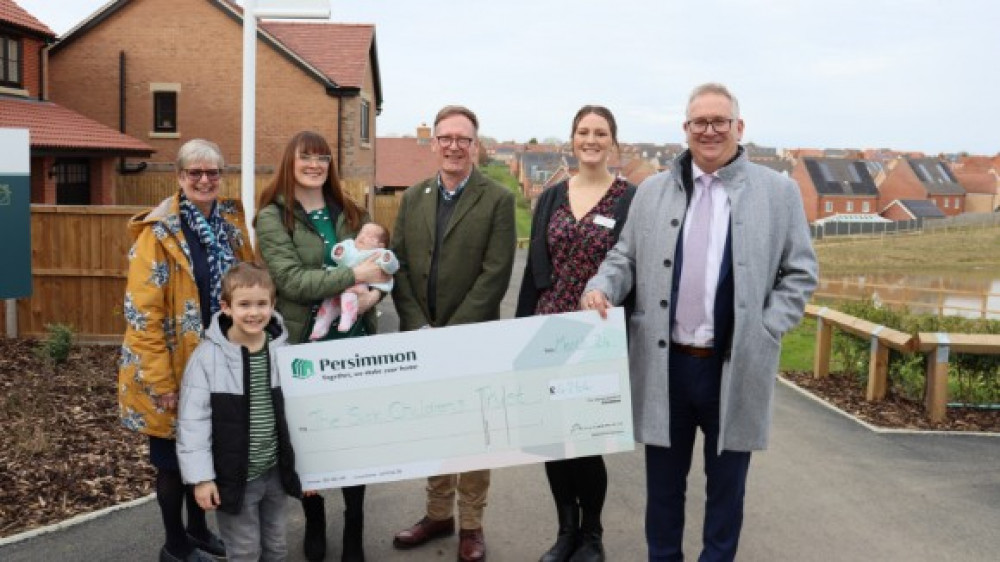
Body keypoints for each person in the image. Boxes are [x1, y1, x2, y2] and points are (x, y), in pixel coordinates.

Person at [582, 83, 818, 562]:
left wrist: (768, 327)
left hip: (733, 367)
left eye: (719, 121)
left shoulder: (779, 192)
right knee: (663, 494)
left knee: (726, 494)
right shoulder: (651, 191)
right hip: (667, 369)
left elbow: (800, 272)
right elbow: (623, 256)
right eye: (699, 123)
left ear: (738, 127)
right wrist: (601, 286)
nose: (709, 131)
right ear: (685, 129)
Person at [390, 105, 516, 562]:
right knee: (436, 429)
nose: (454, 146)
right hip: (422, 336)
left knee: (473, 435)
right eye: (446, 137)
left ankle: (471, 525)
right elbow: (397, 264)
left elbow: (495, 274)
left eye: (463, 139)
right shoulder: (414, 197)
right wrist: (417, 324)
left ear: (475, 145)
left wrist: (452, 335)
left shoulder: (497, 200)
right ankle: (437, 513)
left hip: (472, 341)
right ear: (434, 143)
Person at [255, 130, 389, 562]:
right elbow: (292, 281)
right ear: (289, 163)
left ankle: (354, 527)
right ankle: (315, 519)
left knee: (354, 435)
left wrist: (376, 294)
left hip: (354, 338)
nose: (314, 165)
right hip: (304, 344)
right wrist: (355, 278)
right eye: (305, 157)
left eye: (322, 158)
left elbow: (383, 265)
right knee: (310, 436)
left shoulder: (350, 210)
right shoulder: (273, 217)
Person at [118, 138, 252, 562]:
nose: (204, 179)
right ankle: (174, 545)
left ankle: (197, 531)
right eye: (194, 172)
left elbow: (249, 284)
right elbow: (142, 315)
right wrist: (160, 382)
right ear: (179, 177)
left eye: (212, 172)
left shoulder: (230, 225)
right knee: (173, 463)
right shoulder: (157, 233)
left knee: (204, 453)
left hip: (219, 361)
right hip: (173, 370)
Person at [515, 105, 636, 562]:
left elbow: (633, 269)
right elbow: (533, 269)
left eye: (600, 132)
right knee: (554, 438)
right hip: (548, 329)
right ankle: (565, 532)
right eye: (583, 132)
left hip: (598, 337)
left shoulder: (628, 198)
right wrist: (520, 334)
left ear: (613, 141)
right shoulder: (551, 196)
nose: (591, 139)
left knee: (586, 441)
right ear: (572, 139)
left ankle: (592, 535)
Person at [177, 263, 302, 562]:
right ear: (226, 307)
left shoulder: (283, 351)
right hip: (234, 477)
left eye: (262, 304)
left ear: (273, 305)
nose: (254, 312)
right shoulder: (208, 358)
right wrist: (202, 478)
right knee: (244, 551)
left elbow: (300, 415)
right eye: (244, 304)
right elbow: (192, 423)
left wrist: (309, 473)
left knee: (276, 547)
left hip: (274, 471)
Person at [309, 222, 398, 339]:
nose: (363, 237)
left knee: (350, 296)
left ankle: (347, 318)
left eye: (370, 236)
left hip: (359, 285)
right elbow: (339, 256)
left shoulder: (379, 253)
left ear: (380, 245)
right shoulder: (350, 245)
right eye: (362, 233)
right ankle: (320, 326)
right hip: (338, 280)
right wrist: (339, 252)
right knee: (328, 304)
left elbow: (392, 267)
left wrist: (388, 260)